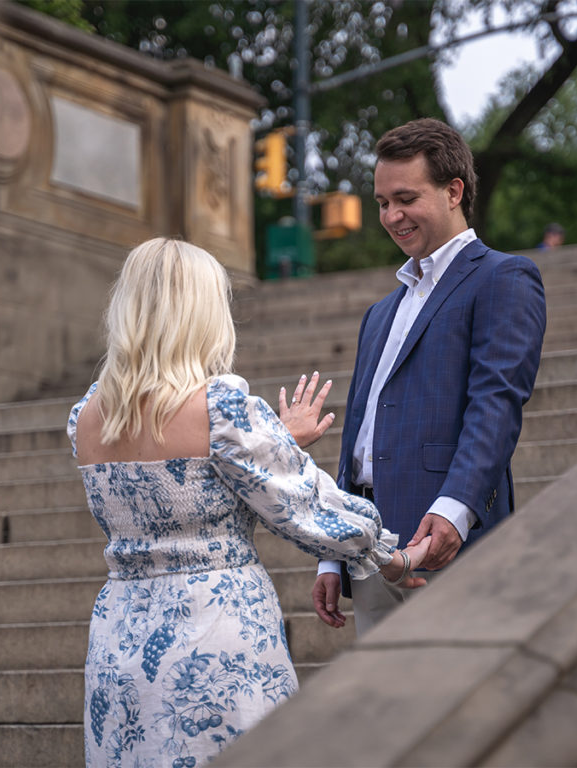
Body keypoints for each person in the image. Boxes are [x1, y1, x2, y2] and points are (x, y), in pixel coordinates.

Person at [67, 237, 431, 768]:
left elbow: (178, 486)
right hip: (214, 633)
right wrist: (386, 552)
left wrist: (272, 443)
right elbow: (304, 507)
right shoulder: (221, 403)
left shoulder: (85, 418)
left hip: (120, 640)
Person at [312, 118, 547, 635]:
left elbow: (497, 403)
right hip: (368, 550)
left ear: (453, 191)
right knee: (385, 707)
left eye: (405, 198)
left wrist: (455, 511)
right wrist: (333, 552)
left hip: (448, 542)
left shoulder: (503, 278)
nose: (392, 216)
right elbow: (359, 438)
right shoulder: (379, 313)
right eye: (381, 203)